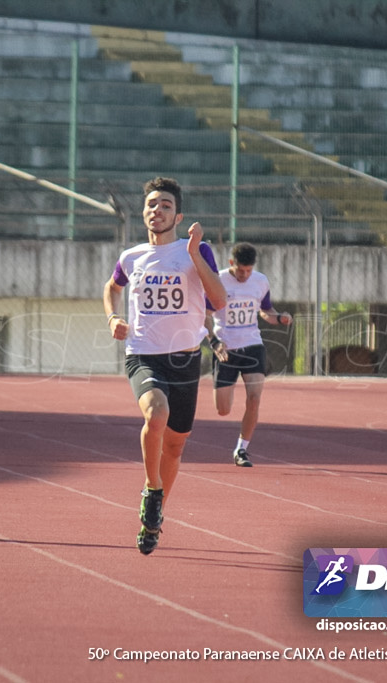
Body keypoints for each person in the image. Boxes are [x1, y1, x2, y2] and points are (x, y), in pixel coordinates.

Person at [103, 177, 226, 555]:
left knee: (174, 447)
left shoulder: (197, 251)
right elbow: (111, 288)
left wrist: (192, 253)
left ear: (179, 214)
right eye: (152, 204)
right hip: (143, 353)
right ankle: (151, 489)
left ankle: (153, 521)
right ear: (144, 213)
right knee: (156, 414)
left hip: (186, 358)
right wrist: (112, 319)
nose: (158, 210)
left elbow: (218, 301)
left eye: (166, 205)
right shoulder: (132, 257)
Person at [205, 242, 293, 467]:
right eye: (241, 270)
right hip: (225, 348)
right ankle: (226, 386)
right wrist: (215, 342)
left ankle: (241, 450)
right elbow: (204, 316)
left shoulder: (260, 281)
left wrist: (280, 317)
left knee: (254, 399)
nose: (245, 275)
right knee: (223, 410)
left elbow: (266, 311)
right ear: (231, 263)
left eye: (249, 271)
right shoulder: (218, 281)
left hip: (253, 345)